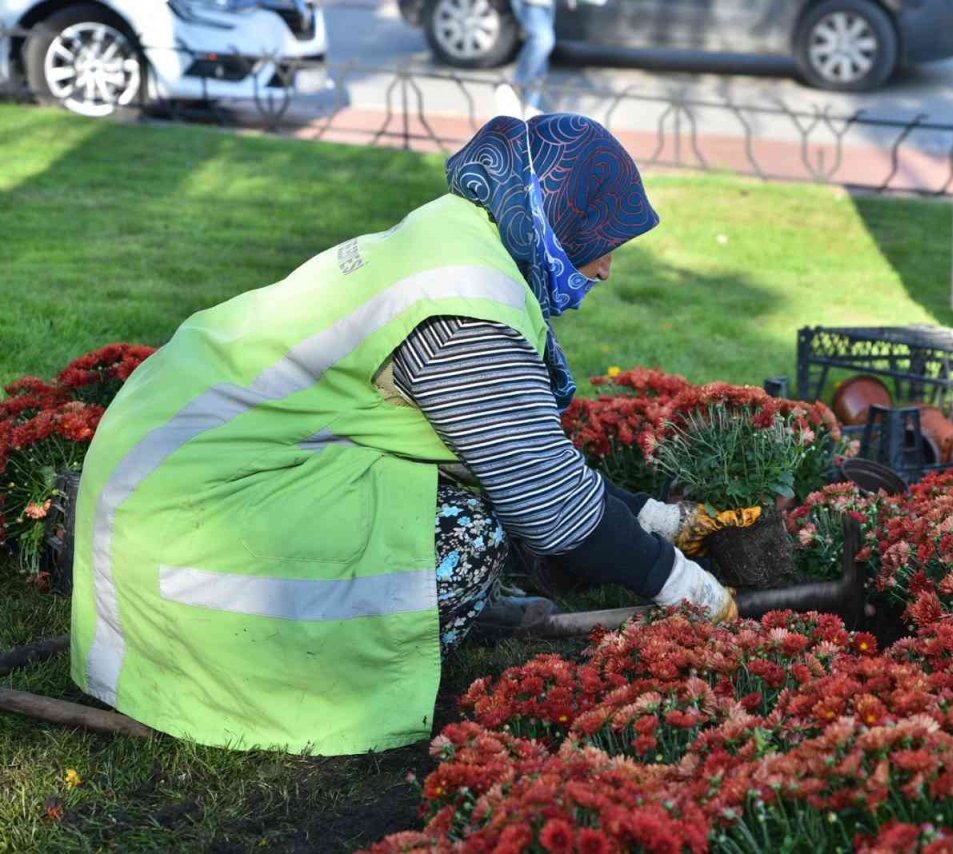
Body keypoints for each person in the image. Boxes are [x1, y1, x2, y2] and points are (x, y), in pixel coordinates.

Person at [68, 113, 736, 757]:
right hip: (181, 544)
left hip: (177, 481)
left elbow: (531, 457)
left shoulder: (460, 241)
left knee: (472, 492)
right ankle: (336, 662)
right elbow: (551, 506)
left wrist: (661, 520)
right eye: (600, 242)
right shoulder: (464, 310)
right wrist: (686, 587)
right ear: (562, 214)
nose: (605, 269)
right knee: (469, 533)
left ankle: (442, 609)